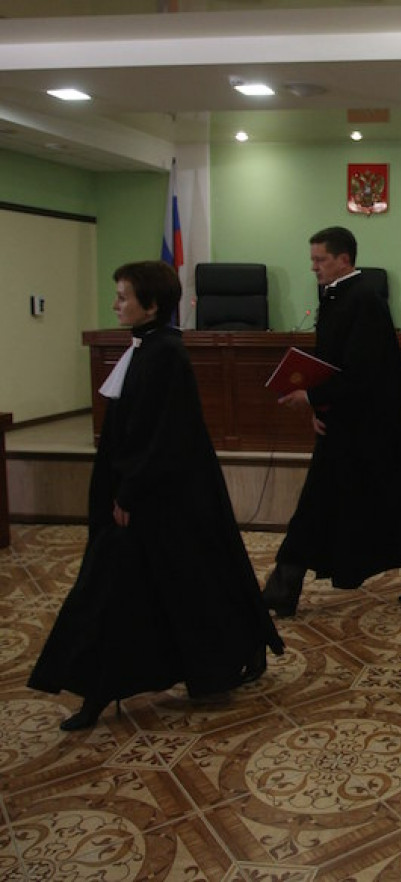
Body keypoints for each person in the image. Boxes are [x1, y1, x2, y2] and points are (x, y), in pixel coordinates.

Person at [29, 261, 283, 731]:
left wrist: (129, 491)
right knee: (164, 589)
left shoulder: (165, 355)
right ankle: (109, 687)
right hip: (147, 492)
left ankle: (100, 689)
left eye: (123, 297)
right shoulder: (146, 348)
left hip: (156, 496)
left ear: (151, 304)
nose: (115, 304)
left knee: (121, 592)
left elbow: (161, 435)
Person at [262, 226, 401, 615]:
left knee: (373, 501)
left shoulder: (363, 299)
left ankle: (283, 588)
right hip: (346, 421)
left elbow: (363, 372)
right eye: (313, 259)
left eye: (320, 260)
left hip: (370, 428)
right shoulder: (338, 296)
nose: (313, 267)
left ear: (344, 260)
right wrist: (319, 409)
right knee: (364, 501)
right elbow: (329, 366)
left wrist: (314, 398)